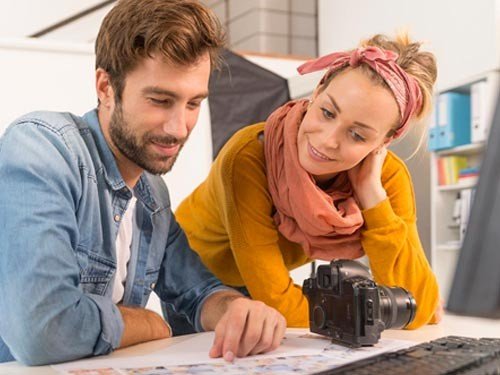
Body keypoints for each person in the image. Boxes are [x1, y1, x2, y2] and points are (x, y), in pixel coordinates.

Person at [0, 0, 286, 366]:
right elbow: (42, 330)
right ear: (106, 87)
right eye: (160, 100)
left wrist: (238, 310)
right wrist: (147, 322)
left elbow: (197, 292)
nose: (178, 128)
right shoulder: (42, 150)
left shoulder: (152, 192)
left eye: (193, 103)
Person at [175, 33, 441, 330]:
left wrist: (371, 196)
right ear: (317, 91)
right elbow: (277, 303)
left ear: (386, 140)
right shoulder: (248, 157)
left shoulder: (387, 178)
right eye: (327, 112)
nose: (328, 141)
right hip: (199, 277)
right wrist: (369, 314)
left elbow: (420, 305)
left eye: (357, 135)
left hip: (268, 277)